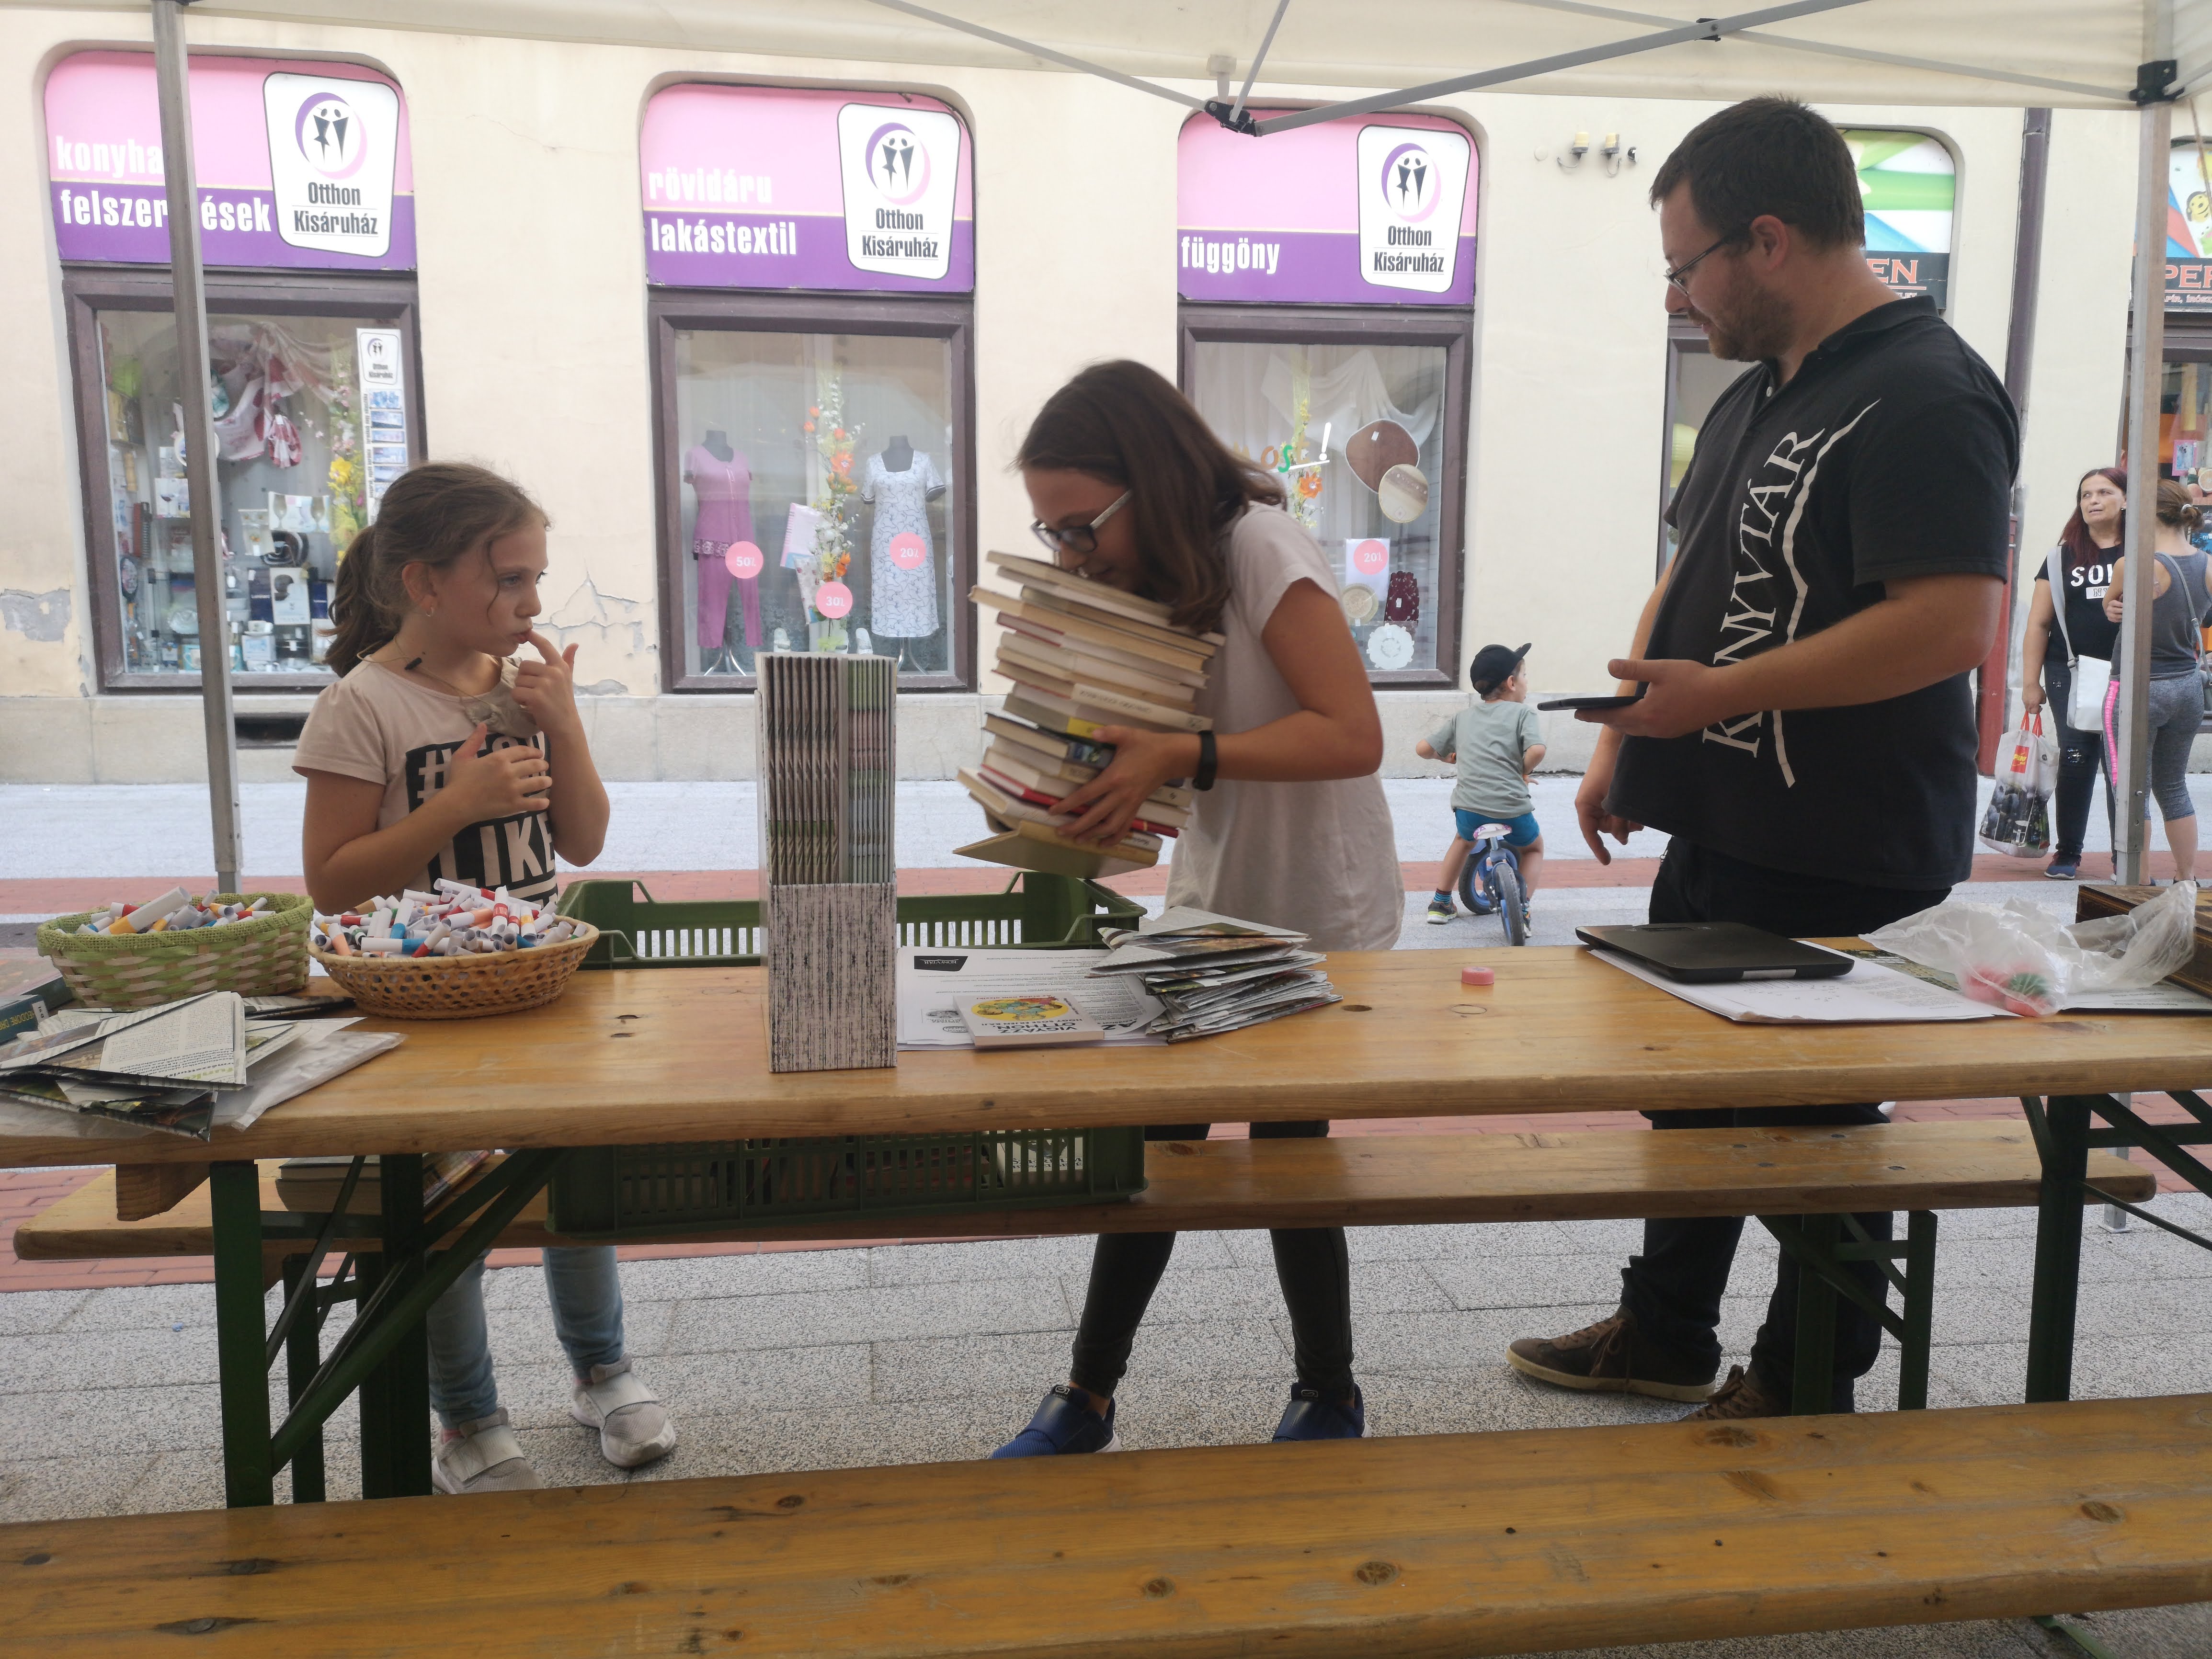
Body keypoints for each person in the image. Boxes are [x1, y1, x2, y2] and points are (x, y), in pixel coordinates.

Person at [1505, 98, 2016, 1420]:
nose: (1676, 296)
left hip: (1846, 842)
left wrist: (1719, 693)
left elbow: (1946, 624)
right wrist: (1623, 735)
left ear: (1768, 240)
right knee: (1689, 1097)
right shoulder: (1765, 389)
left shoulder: (1927, 392)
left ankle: (1801, 1384)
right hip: (1723, 817)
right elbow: (1686, 564)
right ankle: (1665, 1329)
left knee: (1818, 1132)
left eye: (1685, 265)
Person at [989, 360, 1400, 1456]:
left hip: (1316, 899)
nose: (1069, 553)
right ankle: (1086, 1393)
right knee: (1161, 1135)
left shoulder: (1259, 545)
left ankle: (1328, 1392)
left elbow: (1352, 733)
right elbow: (1169, 752)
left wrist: (1182, 754)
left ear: (1151, 481)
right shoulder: (1154, 571)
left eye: (1078, 527)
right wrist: (1066, 795)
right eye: (1050, 534)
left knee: (1287, 1146)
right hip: (1217, 889)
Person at [295, 462, 678, 1493]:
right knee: (442, 1215)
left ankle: (603, 1370)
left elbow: (582, 840)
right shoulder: (360, 706)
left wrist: (564, 722)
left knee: (568, 1183)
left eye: (536, 577)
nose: (531, 602)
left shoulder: (520, 691)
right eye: (508, 578)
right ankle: (466, 1415)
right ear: (423, 582)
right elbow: (331, 882)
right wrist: (453, 807)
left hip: (540, 994)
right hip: (416, 1021)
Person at [2099, 480, 2212, 882]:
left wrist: (2111, 607)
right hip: (2187, 687)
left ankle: (2138, 882)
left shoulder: (2133, 565)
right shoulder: (2207, 564)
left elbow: (2111, 608)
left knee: (2130, 791)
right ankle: (2187, 878)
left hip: (2135, 687)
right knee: (2174, 786)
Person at [2018, 467, 2126, 879]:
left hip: (2127, 675)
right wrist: (2031, 683)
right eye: (2086, 495)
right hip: (2070, 671)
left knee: (2122, 766)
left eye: (2104, 492)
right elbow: (2038, 624)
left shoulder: (2143, 553)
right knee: (2077, 760)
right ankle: (2067, 853)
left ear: (2126, 500)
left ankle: (2125, 855)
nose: (2093, 501)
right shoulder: (2060, 558)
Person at [1415, 642, 1547, 923]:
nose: (1527, 682)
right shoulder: (1524, 714)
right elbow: (1537, 750)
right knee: (1534, 849)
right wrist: (1522, 770)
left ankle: (1440, 903)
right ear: (1511, 683)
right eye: (1524, 676)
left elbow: (1423, 749)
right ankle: (1522, 907)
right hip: (1512, 808)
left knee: (1463, 841)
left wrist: (1447, 758)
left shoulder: (1463, 718)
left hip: (1470, 809)